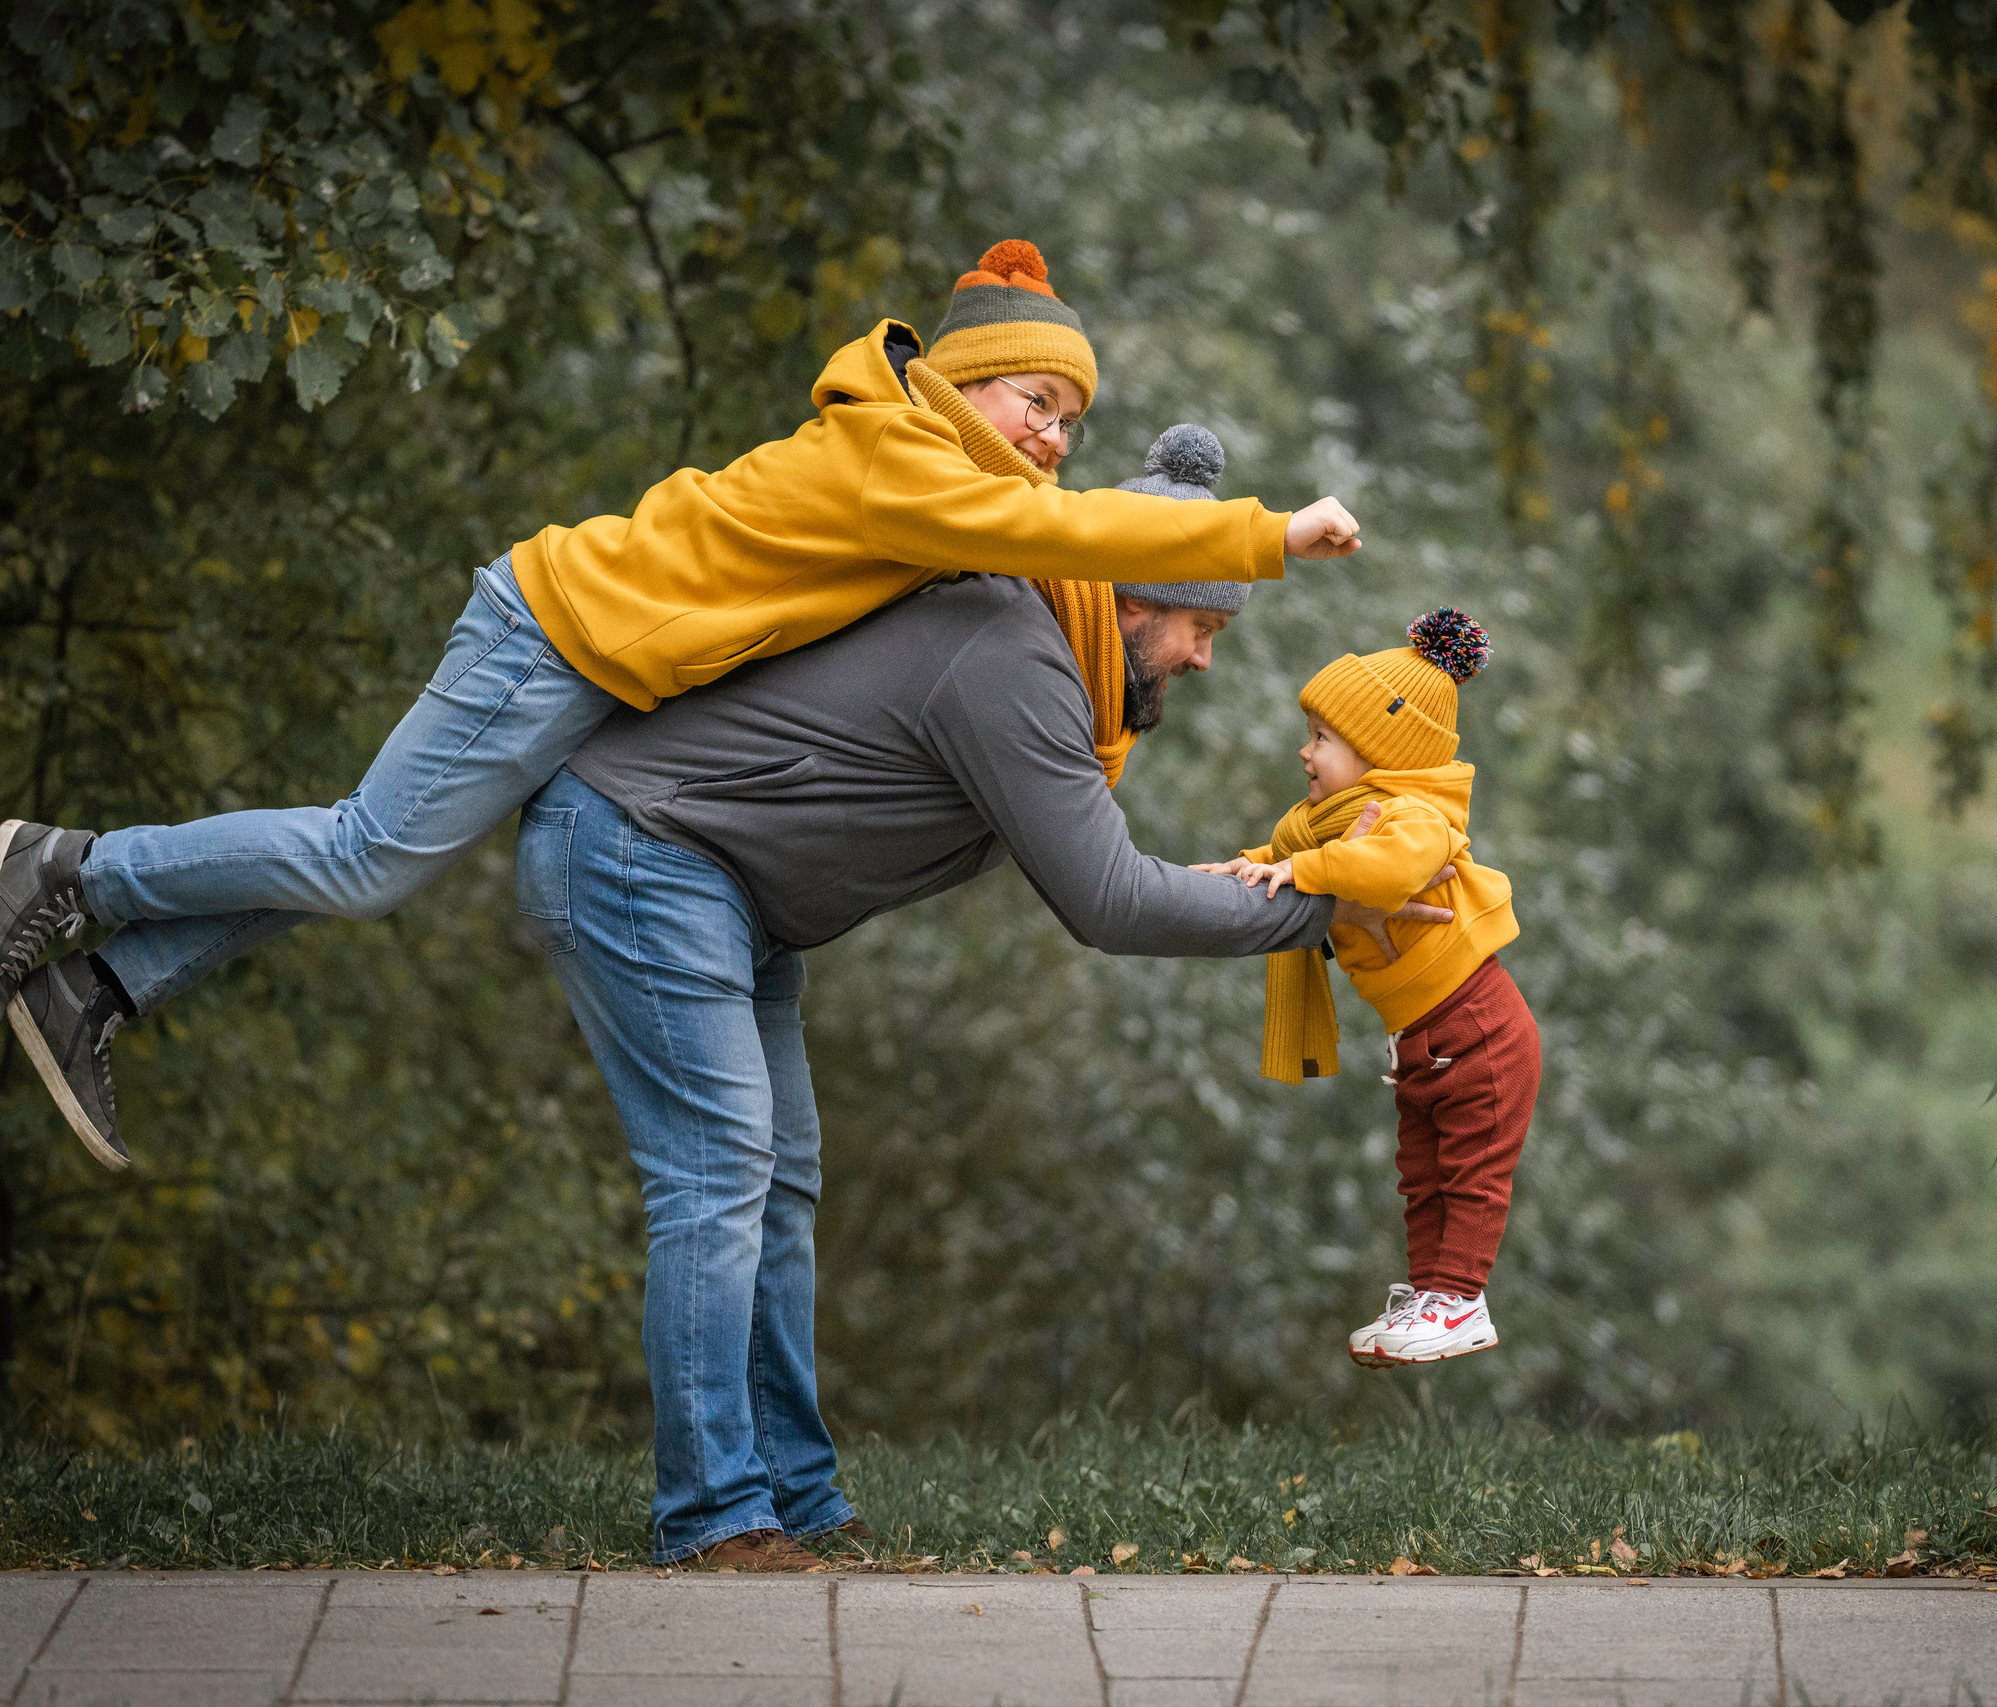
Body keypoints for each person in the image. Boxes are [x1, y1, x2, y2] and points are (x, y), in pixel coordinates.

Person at [0, 240, 1364, 1171]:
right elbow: (1080, 536)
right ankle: (74, 868)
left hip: (608, 668)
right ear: (958, 382)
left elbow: (1055, 548)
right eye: (1032, 400)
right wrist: (1265, 534)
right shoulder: (903, 460)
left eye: (1068, 415)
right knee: (367, 854)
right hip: (554, 633)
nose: (1051, 436)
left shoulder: (955, 486)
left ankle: (102, 985)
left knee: (380, 857)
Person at [526, 428, 1453, 1571]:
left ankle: (796, 1503)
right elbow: (1108, 899)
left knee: (778, 1184)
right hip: (644, 852)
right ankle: (715, 1517)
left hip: (724, 886)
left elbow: (1110, 872)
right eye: (1199, 630)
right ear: (1130, 602)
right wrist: (1325, 909)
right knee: (720, 1177)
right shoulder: (1011, 654)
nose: (1204, 661)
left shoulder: (1050, 658)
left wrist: (1308, 877)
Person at [1192, 610, 1540, 1368]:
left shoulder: (1414, 818)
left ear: (1382, 751)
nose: (1305, 751)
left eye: (1321, 736)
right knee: (1422, 1174)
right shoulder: (1331, 829)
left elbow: (1383, 871)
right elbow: (1299, 857)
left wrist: (1300, 871)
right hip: (1424, 1038)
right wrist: (1252, 866)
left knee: (1469, 1173)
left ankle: (1460, 1298)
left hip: (1477, 1027)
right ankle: (1430, 1296)